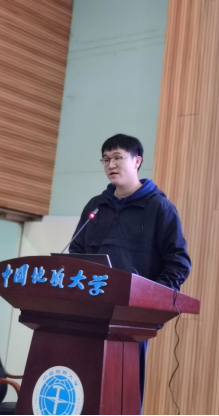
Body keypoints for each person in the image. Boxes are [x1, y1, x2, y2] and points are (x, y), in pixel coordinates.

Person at [69, 133, 191, 412]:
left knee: (119, 393)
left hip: (129, 318)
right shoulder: (96, 206)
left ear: (137, 161)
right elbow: (76, 252)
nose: (111, 164)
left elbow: (179, 263)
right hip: (88, 313)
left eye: (117, 157)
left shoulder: (160, 208)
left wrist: (150, 300)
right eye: (106, 159)